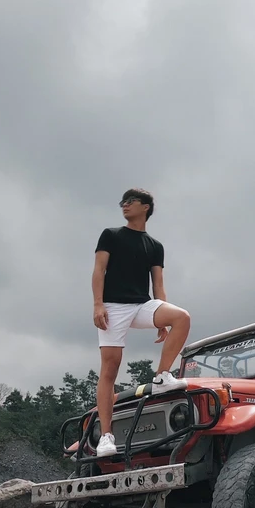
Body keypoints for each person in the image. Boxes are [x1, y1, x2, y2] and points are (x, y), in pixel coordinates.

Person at [90, 188, 191, 457]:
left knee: (181, 317)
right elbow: (99, 270)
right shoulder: (110, 235)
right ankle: (107, 437)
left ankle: (162, 376)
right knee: (110, 369)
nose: (124, 205)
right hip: (112, 306)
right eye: (122, 202)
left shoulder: (155, 246)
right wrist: (98, 304)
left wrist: (162, 318)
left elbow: (158, 284)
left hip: (142, 305)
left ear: (145, 207)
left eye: (130, 201)